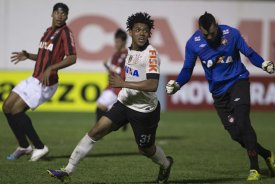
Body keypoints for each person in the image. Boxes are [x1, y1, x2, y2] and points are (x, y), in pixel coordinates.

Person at [47, 12, 173, 183]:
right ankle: (68, 170)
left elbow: (152, 85)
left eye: (145, 30)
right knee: (95, 131)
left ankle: (165, 164)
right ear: (130, 32)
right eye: (138, 30)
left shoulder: (151, 54)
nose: (142, 33)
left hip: (144, 111)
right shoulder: (128, 52)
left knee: (145, 149)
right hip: (124, 103)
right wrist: (121, 83)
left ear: (149, 34)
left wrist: (123, 83)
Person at [166, 12, 275, 181]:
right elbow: (187, 69)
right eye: (206, 35)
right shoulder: (193, 43)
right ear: (200, 31)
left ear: (217, 25)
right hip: (218, 93)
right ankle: (268, 155)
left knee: (243, 122)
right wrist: (177, 84)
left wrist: (263, 64)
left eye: (212, 32)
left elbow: (249, 53)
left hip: (238, 82)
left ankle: (254, 169)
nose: (210, 37)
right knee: (236, 134)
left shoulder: (232, 34)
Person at [2, 3, 76, 161]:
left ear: (67, 16)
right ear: (52, 14)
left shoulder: (65, 33)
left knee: (17, 111)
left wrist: (52, 68)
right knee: (7, 107)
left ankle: (40, 147)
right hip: (34, 78)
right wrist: (28, 55)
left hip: (46, 83)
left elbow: (72, 58)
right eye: (57, 12)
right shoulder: (48, 32)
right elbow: (44, 56)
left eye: (63, 13)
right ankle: (24, 146)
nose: (60, 16)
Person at [96, 28, 128, 131]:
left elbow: (123, 73)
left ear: (123, 42)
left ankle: (98, 131)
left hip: (119, 87)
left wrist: (109, 66)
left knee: (101, 105)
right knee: (111, 110)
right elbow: (113, 71)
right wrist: (107, 67)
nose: (116, 44)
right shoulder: (115, 55)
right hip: (111, 86)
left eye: (118, 41)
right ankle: (125, 118)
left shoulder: (128, 55)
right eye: (115, 41)